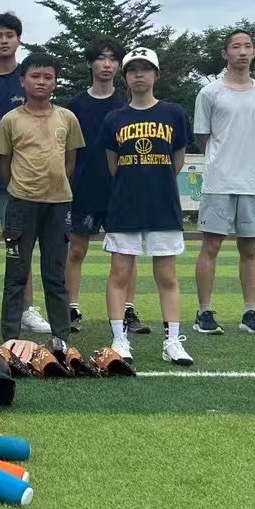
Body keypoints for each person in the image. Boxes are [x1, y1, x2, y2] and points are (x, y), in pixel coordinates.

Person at [102, 48, 194, 366]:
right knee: (119, 273)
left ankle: (172, 341)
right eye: (132, 70)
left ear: (156, 75)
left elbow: (177, 160)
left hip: (162, 206)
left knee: (166, 275)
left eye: (145, 69)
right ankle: (119, 339)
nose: (138, 75)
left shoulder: (174, 113)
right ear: (125, 77)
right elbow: (113, 165)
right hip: (124, 206)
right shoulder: (114, 118)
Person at [0, 53, 83, 355]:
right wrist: (20, 188)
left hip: (58, 205)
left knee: (55, 275)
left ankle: (61, 338)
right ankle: (10, 337)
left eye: (48, 77)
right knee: (16, 275)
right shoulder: (11, 120)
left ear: (55, 82)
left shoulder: (67, 118)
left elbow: (70, 160)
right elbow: (4, 163)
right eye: (35, 76)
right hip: (21, 204)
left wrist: (55, 186)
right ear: (23, 81)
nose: (41, 82)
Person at [192, 30, 255, 336]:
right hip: (219, 181)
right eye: (236, 46)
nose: (242, 51)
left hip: (253, 182)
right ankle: (203, 312)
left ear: (254, 52)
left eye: (247, 46)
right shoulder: (210, 93)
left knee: (249, 248)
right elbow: (202, 137)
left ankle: (250, 312)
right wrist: (221, 160)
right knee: (211, 245)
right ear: (225, 53)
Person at [64, 38, 148, 337]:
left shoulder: (128, 104)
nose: (107, 64)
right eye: (101, 58)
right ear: (91, 63)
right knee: (76, 250)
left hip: (121, 190)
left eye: (113, 59)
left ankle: (127, 310)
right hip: (83, 188)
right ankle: (70, 308)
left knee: (125, 253)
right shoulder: (75, 105)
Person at [0, 11, 47, 335]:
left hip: (19, 177)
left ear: (19, 40)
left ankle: (26, 309)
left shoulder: (28, 77)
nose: (4, 41)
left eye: (9, 35)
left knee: (20, 245)